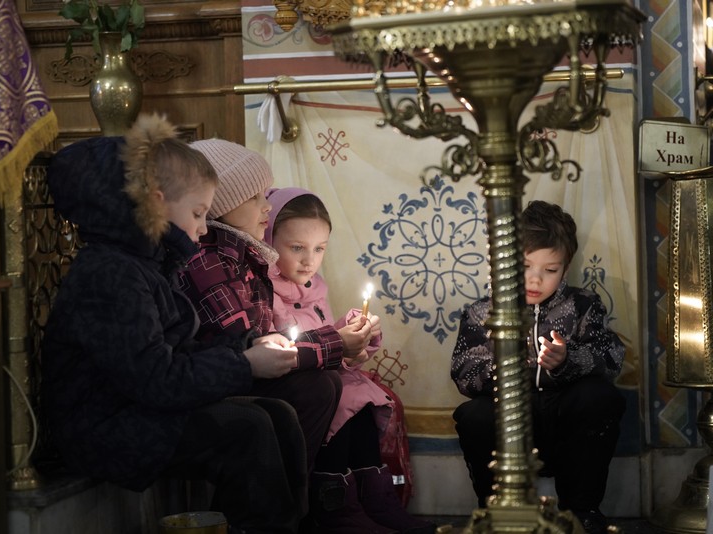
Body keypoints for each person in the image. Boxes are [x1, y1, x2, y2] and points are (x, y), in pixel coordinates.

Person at [40, 114, 307, 534]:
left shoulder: (144, 263)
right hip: (101, 427)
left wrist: (246, 348)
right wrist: (244, 365)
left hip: (134, 409)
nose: (202, 229)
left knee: (278, 414)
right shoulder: (110, 274)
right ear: (158, 203)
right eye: (198, 213)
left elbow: (177, 351)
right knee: (247, 429)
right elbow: (155, 378)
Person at [174, 140, 369, 524]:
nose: (267, 206)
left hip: (236, 371)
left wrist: (344, 344)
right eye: (254, 198)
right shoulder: (208, 260)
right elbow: (244, 346)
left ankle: (292, 510)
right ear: (220, 203)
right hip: (216, 382)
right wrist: (335, 342)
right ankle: (276, 516)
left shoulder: (240, 255)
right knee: (315, 389)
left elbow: (262, 339)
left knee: (330, 386)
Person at [265, 187, 437, 534]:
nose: (309, 260)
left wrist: (355, 341)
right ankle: (336, 505)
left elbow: (332, 351)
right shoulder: (263, 290)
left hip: (326, 379)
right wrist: (337, 344)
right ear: (269, 240)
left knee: (361, 396)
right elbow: (284, 351)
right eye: (296, 248)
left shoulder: (316, 289)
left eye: (319, 249)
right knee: (346, 396)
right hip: (295, 387)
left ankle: (377, 501)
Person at [450, 200, 626, 534]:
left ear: (565, 268)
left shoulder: (583, 305)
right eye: (525, 266)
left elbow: (612, 359)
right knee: (474, 415)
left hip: (566, 423)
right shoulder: (482, 312)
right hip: (511, 423)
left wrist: (567, 359)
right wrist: (504, 370)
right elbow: (463, 371)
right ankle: (496, 511)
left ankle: (582, 512)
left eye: (550, 270)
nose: (535, 279)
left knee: (599, 398)